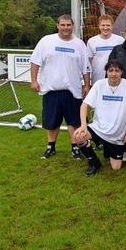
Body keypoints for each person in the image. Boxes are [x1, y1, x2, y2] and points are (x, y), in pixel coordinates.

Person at [30, 14, 90, 160]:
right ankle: (51, 147)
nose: (65, 28)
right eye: (62, 25)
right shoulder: (46, 41)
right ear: (57, 25)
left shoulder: (79, 44)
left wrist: (87, 85)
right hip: (51, 89)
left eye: (68, 25)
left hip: (73, 90)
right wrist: (33, 81)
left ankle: (75, 148)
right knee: (52, 122)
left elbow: (86, 68)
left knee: (74, 122)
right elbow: (35, 62)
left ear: (72, 26)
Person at [73, 59, 126, 176]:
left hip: (116, 134)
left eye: (117, 71)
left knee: (116, 168)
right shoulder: (99, 84)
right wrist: (83, 125)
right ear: (106, 72)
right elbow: (84, 105)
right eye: (110, 70)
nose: (113, 73)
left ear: (121, 72)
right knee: (78, 136)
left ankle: (110, 149)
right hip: (98, 128)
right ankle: (94, 162)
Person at [86, 14, 124, 85]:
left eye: (108, 25)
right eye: (103, 25)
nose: (105, 28)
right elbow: (88, 64)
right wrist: (87, 84)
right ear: (99, 26)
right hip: (97, 80)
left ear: (112, 26)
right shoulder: (92, 41)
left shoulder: (120, 40)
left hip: (116, 80)